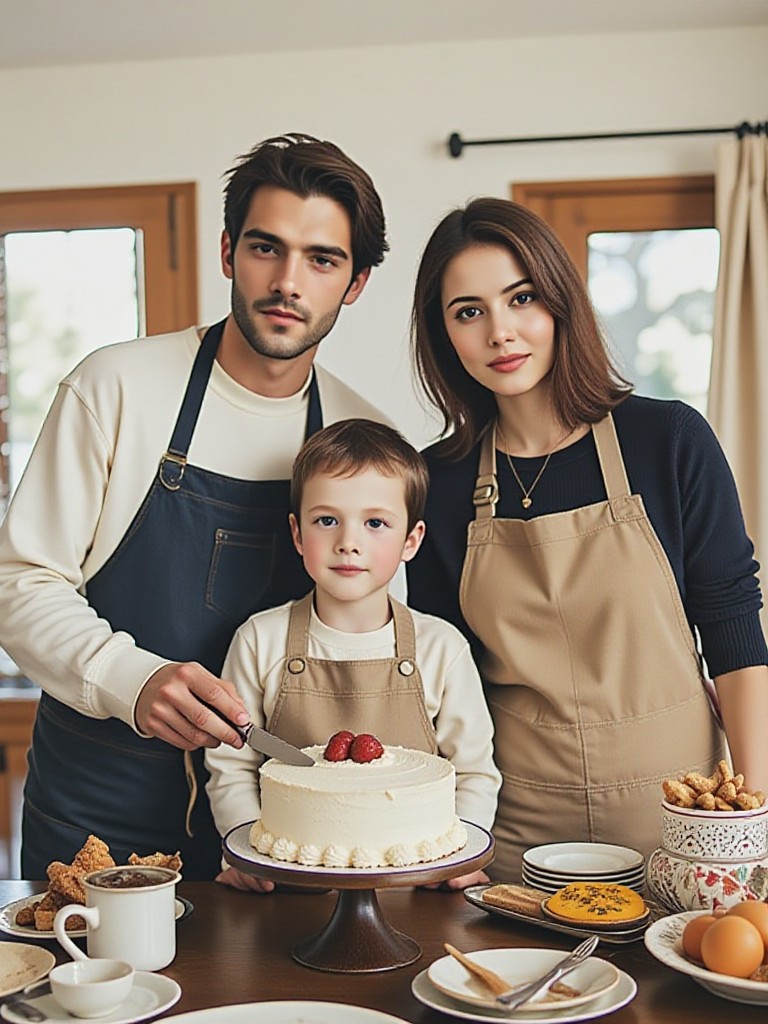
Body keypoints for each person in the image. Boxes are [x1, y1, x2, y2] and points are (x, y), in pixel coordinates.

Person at [0, 133, 393, 879]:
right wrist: (131, 679)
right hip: (96, 804)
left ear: (356, 282)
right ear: (225, 252)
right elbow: (19, 583)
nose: (288, 281)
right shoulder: (114, 387)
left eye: (323, 259)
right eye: (265, 248)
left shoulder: (359, 438)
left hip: (274, 816)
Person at [406, 197, 768, 881]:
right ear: (444, 333)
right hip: (514, 832)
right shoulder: (439, 481)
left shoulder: (668, 439)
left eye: (522, 298)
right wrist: (451, 839)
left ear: (561, 301)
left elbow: (734, 632)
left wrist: (752, 824)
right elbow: (445, 678)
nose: (501, 333)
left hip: (687, 824)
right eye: (469, 312)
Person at [205, 418, 501, 892]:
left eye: (375, 523)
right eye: (326, 520)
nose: (348, 541)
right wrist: (249, 850)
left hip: (412, 890)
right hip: (291, 889)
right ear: (297, 534)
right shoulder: (260, 640)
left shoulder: (441, 647)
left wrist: (455, 853)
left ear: (411, 540)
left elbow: (473, 771)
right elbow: (231, 764)